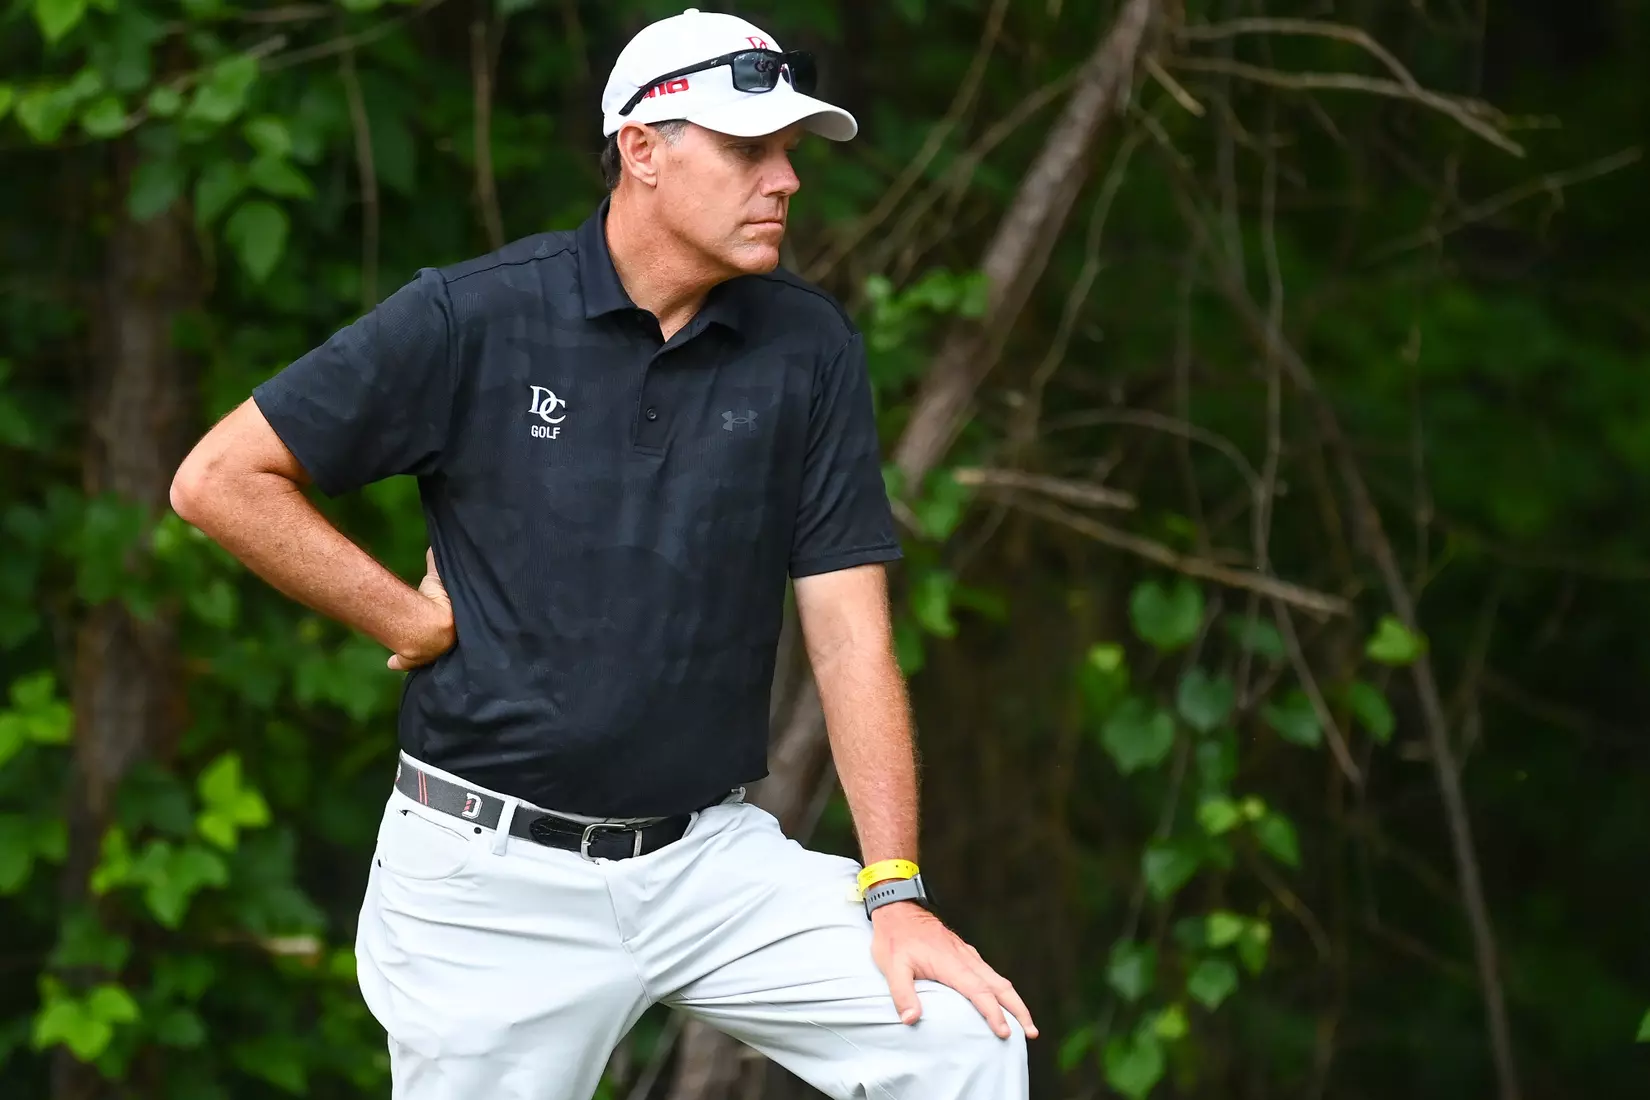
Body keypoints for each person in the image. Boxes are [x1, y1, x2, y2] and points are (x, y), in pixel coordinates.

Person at [169, 8, 1033, 1098]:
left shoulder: (806, 347)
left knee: (962, 1035)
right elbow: (219, 479)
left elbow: (850, 628)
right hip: (488, 877)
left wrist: (895, 888)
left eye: (790, 152)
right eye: (748, 150)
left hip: (708, 858)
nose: (786, 181)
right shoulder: (476, 315)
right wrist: (410, 617)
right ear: (644, 150)